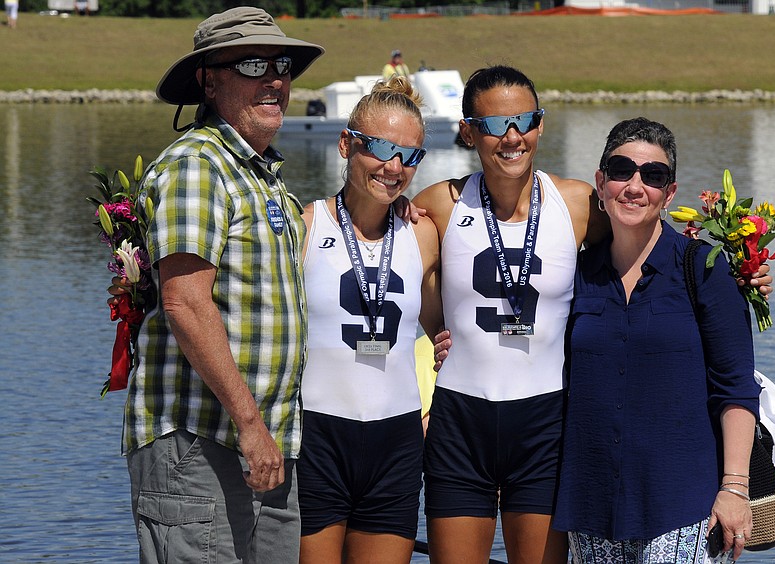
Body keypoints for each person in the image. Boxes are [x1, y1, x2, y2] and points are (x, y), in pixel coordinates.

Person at [122, 7, 323, 563]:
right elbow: (185, 303)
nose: (275, 79)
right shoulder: (198, 165)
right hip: (202, 442)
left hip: (267, 444)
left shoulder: (264, 177)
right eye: (253, 64)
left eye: (282, 64)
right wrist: (251, 426)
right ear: (209, 80)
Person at [412, 65, 608, 564]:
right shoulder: (438, 204)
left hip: (546, 421)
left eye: (525, 120)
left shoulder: (580, 203)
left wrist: (741, 278)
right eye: (496, 125)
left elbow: (649, 258)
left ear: (541, 124)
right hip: (460, 420)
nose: (513, 137)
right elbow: (379, 275)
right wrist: (433, 333)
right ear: (469, 131)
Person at [553, 117, 760, 563]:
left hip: (682, 505)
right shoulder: (573, 275)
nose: (634, 185)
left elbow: (737, 386)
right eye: (621, 170)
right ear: (601, 181)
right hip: (590, 505)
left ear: (669, 194)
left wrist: (735, 487)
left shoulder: (702, 268)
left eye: (653, 176)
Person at [296, 76, 443, 564]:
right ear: (345, 144)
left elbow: (456, 332)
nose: (394, 166)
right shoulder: (305, 225)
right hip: (318, 440)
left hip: (397, 444)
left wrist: (434, 404)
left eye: (410, 155)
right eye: (380, 147)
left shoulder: (422, 234)